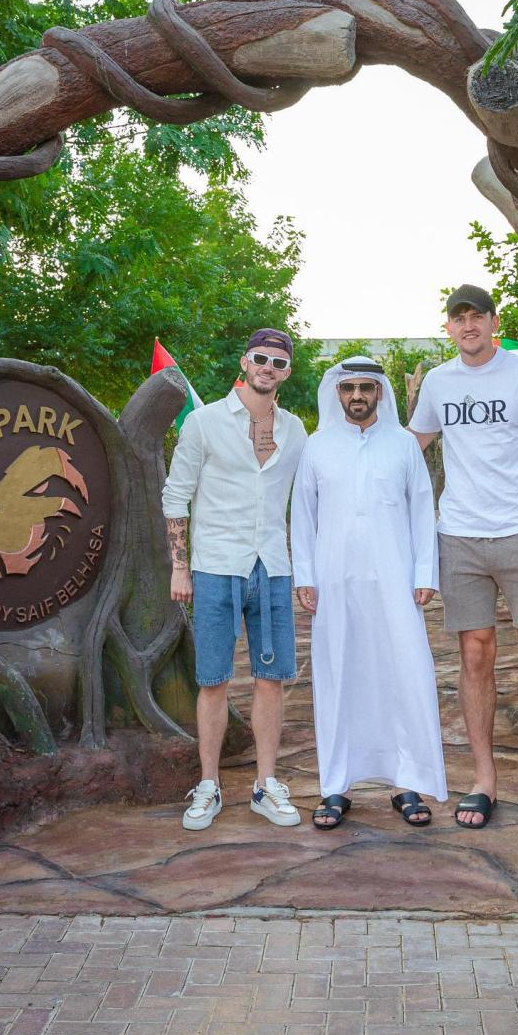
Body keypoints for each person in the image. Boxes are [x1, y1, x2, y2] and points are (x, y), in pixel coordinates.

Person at [409, 286, 518, 837]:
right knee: (475, 654)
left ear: (492, 322)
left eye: (476, 317)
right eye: (457, 319)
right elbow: (412, 446)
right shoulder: (438, 383)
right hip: (459, 537)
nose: (467, 327)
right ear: (449, 327)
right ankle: (485, 779)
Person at [291, 357, 447, 830]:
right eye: (349, 388)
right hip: (334, 584)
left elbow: (423, 509)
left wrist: (425, 572)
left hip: (395, 580)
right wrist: (305, 576)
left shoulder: (402, 445)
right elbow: (303, 515)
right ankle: (336, 787)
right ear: (337, 394)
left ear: (380, 393)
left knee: (402, 675)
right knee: (338, 676)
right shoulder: (317, 447)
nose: (357, 395)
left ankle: (407, 783)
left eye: (366, 388)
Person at [162, 328, 307, 831]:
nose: (269, 367)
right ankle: (209, 784)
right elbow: (175, 495)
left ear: (287, 372)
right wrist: (180, 565)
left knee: (272, 680)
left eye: (279, 362)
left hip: (272, 565)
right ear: (245, 363)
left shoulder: (295, 430)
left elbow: (305, 502)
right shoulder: (203, 424)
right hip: (216, 564)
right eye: (261, 358)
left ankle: (267, 784)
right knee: (212, 680)